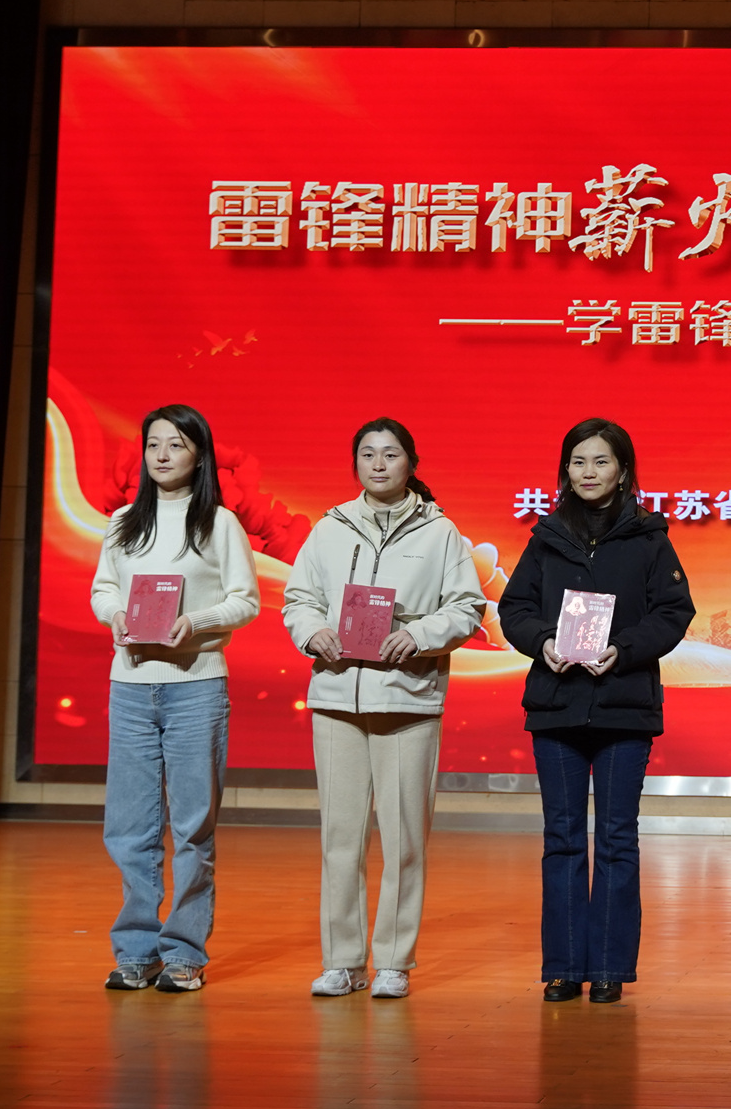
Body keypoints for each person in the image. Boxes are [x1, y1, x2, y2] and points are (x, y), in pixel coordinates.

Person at [281, 418, 487, 1002]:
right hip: (337, 696)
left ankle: (394, 960)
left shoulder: (441, 532)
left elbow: (466, 607)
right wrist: (312, 632)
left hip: (407, 698)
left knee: (404, 839)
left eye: (391, 454)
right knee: (339, 837)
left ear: (411, 463)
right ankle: (343, 961)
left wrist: (418, 635)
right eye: (367, 454)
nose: (378, 464)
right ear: (355, 464)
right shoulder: (329, 528)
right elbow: (298, 598)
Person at [498, 419, 695, 1007]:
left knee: (615, 837)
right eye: (578, 461)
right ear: (565, 470)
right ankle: (562, 967)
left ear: (623, 470)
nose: (588, 472)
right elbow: (514, 608)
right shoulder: (546, 536)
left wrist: (624, 650)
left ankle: (608, 966)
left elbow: (674, 611)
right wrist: (543, 642)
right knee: (561, 838)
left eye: (601, 461)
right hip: (556, 707)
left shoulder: (649, 538)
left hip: (623, 708)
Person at [87, 404, 259, 993]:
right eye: (153, 444)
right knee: (129, 827)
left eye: (176, 444)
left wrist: (195, 621)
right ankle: (136, 951)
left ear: (200, 455)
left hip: (196, 686)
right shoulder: (122, 522)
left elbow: (246, 600)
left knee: (192, 826)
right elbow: (103, 589)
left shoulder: (220, 523)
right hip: (131, 685)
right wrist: (114, 615)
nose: (162, 455)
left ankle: (184, 952)